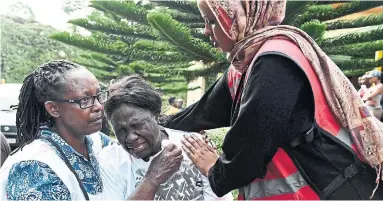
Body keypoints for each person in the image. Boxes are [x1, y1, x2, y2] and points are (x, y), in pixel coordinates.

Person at [165, 0, 383, 200]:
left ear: (241, 16)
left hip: (333, 188)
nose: (206, 31)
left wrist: (215, 171)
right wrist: (151, 124)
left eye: (212, 21)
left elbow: (250, 150)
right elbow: (203, 113)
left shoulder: (274, 62)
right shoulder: (244, 64)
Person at [98, 75, 233, 200]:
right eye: (121, 131)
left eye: (137, 125)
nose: (130, 138)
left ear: (156, 115)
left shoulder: (194, 146)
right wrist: (152, 178)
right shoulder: (110, 160)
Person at [0, 60, 112, 200]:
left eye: (99, 95)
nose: (99, 107)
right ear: (53, 109)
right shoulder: (34, 168)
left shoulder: (97, 141)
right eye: (85, 100)